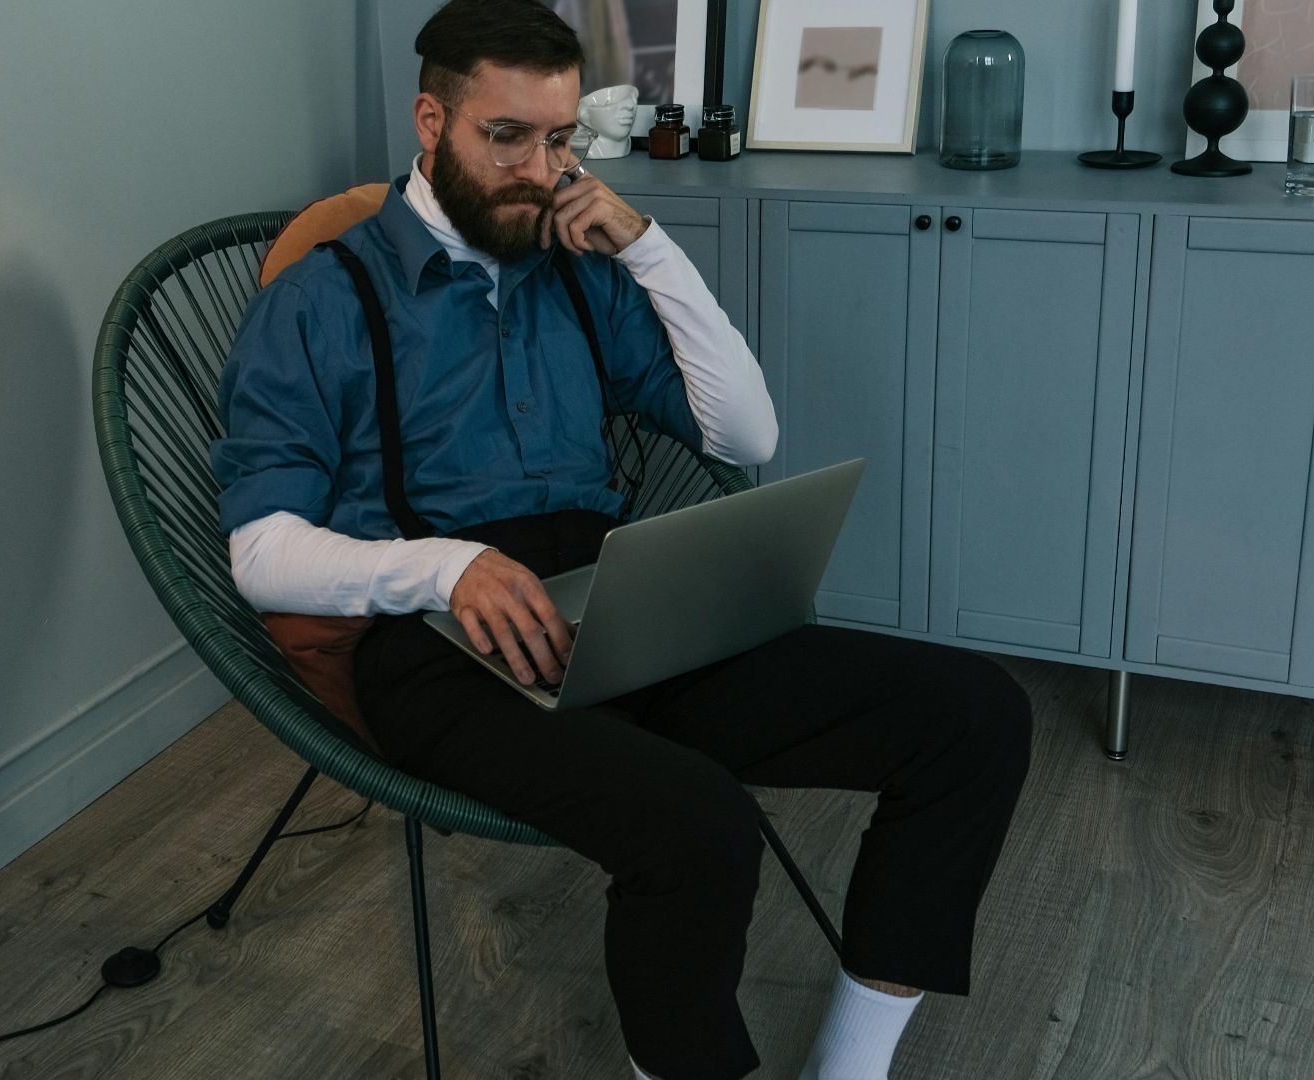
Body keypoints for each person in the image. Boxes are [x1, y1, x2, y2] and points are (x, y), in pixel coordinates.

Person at [208, 2, 1034, 1077]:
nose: (539, 169)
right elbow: (259, 548)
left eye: (560, 140)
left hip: (614, 611)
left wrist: (650, 248)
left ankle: (850, 1063)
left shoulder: (582, 276)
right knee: (701, 825)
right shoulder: (324, 296)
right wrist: (448, 566)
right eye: (507, 135)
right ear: (431, 120)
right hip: (436, 646)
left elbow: (748, 431)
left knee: (974, 717)